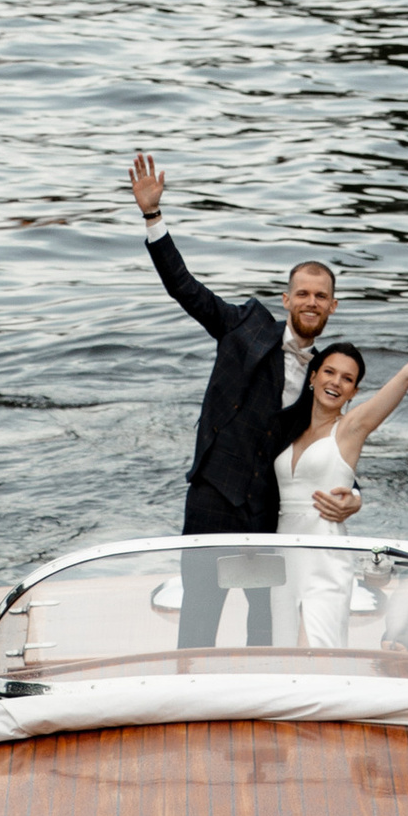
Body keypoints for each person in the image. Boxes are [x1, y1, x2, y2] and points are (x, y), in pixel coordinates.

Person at [129, 154, 337, 648]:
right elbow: (187, 290)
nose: (311, 302)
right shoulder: (243, 326)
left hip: (270, 512)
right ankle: (189, 704)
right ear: (287, 300)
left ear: (332, 305)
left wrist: (349, 495)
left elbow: (337, 441)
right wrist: (153, 218)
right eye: (303, 293)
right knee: (199, 619)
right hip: (214, 497)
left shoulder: (329, 373)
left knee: (264, 626)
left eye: (321, 296)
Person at [279, 296, 408, 649]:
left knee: (315, 651)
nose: (336, 382)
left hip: (324, 553)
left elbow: (406, 376)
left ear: (354, 391)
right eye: (330, 372)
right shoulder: (286, 428)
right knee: (282, 646)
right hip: (281, 552)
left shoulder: (351, 428)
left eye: (347, 379)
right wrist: (356, 495)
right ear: (313, 377)